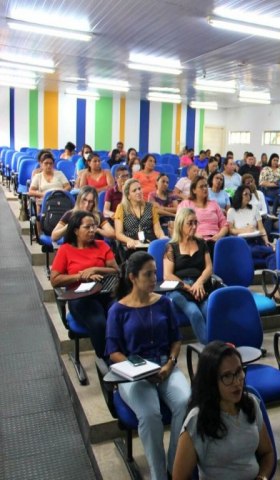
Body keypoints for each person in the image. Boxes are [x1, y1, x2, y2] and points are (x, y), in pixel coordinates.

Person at [106, 251, 190, 480]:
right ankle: (158, 474)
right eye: (148, 274)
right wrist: (141, 370)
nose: (155, 279)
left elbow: (176, 339)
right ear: (132, 277)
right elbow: (113, 352)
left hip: (165, 366)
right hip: (134, 372)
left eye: (155, 273)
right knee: (151, 415)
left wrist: (170, 364)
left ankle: (175, 465)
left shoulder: (164, 303)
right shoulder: (118, 310)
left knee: (185, 402)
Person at [172, 341, 275, 480]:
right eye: (227, 376)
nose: (237, 382)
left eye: (239, 372)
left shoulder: (251, 404)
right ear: (211, 382)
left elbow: (267, 453)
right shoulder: (197, 421)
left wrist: (262, 477)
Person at [50, 211, 118, 358]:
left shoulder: (101, 245)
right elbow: (55, 280)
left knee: (120, 314)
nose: (92, 230)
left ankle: (127, 354)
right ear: (75, 230)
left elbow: (116, 270)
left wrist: (95, 269)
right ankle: (107, 360)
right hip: (80, 297)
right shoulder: (65, 250)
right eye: (87, 227)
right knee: (99, 322)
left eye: (94, 226)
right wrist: (80, 276)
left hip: (105, 293)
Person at [163, 208, 213, 344]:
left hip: (200, 286)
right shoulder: (171, 247)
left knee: (210, 311)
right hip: (179, 288)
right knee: (194, 313)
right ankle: (212, 349)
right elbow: (167, 275)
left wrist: (199, 283)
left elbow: (209, 267)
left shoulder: (201, 243)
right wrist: (188, 287)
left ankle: (217, 344)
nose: (194, 226)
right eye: (190, 223)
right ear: (180, 224)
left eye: (196, 223)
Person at [114, 179, 166, 255]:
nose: (138, 192)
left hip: (149, 243)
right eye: (134, 190)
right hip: (132, 245)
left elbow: (158, 230)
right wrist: (129, 240)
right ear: (128, 196)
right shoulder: (121, 208)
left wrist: (162, 237)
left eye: (139, 189)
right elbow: (118, 234)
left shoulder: (150, 207)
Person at [227, 186, 273, 267]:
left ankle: (274, 275)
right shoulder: (231, 211)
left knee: (271, 257)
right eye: (246, 194)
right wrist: (245, 230)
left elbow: (261, 228)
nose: (248, 196)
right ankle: (270, 251)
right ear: (239, 195)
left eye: (249, 195)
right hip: (241, 241)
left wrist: (266, 241)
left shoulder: (254, 209)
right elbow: (231, 230)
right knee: (255, 250)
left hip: (256, 240)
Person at [177, 176, 228, 245]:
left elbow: (224, 225)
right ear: (194, 190)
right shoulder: (186, 204)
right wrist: (194, 235)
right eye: (201, 187)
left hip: (215, 241)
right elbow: (179, 225)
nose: (205, 189)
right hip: (194, 240)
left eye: (206, 186)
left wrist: (219, 235)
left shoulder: (214, 204)